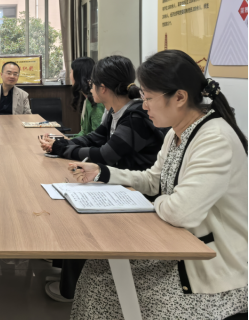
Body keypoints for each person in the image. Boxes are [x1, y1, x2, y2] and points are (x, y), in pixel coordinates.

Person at [68, 50, 248, 320]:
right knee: (97, 271)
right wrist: (102, 172)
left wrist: (159, 201)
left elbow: (181, 212)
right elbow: (153, 180)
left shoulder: (214, 139)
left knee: (111, 287)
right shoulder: (177, 131)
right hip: (180, 243)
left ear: (179, 97)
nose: (144, 105)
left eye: (148, 98)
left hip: (212, 265)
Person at [40, 55, 164, 303]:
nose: (90, 87)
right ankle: (65, 268)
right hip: (120, 181)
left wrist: (63, 149)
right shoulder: (115, 111)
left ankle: (72, 289)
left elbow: (107, 154)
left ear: (103, 88)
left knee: (77, 215)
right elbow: (95, 138)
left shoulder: (136, 115)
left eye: (92, 83)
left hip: (135, 189)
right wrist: (61, 144)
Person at [70, 57, 105, 138]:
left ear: (78, 75)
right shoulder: (87, 99)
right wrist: (67, 141)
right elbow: (85, 132)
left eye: (71, 72)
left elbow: (97, 136)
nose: (69, 75)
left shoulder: (97, 101)